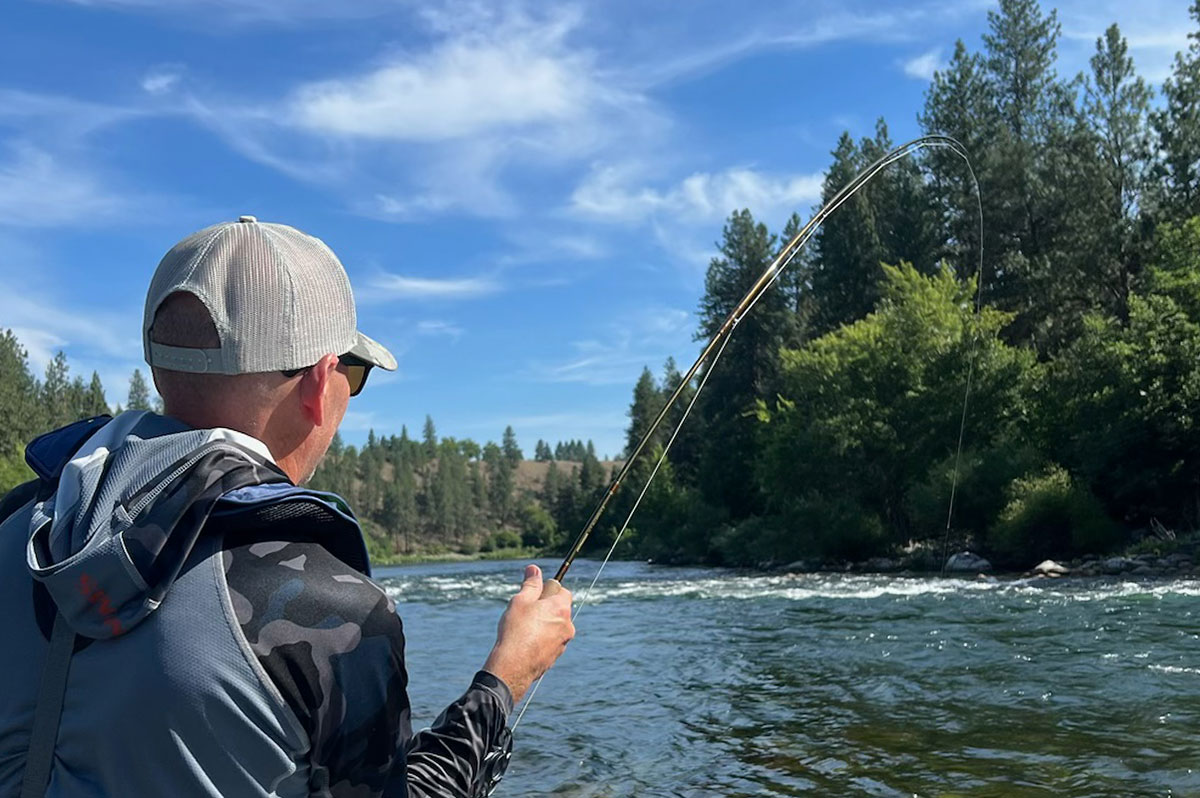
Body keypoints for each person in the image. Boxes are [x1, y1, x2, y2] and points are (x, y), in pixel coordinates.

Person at [0, 216, 575, 798]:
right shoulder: (332, 612)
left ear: (158, 363)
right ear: (321, 382)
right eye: (354, 373)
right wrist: (506, 678)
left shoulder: (13, 523)